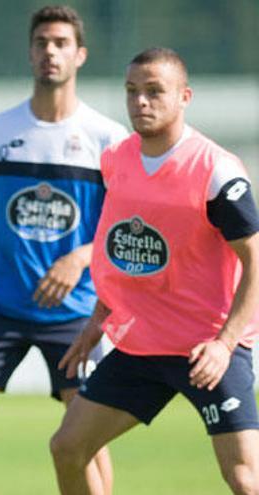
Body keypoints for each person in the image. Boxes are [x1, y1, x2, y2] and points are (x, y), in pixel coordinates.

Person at [0, 6, 129, 494]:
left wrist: (80, 257)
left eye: (61, 43)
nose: (50, 52)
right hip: (0, 309)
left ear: (80, 55)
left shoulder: (108, 139)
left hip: (75, 315)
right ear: (30, 51)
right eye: (42, 42)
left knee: (86, 441)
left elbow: (120, 227)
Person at [51, 47, 259, 494]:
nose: (140, 102)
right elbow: (122, 251)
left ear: (184, 97)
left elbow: (255, 263)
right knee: (67, 446)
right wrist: (98, 319)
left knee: (245, 477)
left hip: (206, 349)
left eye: (154, 92)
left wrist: (224, 345)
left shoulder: (216, 171)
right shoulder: (118, 160)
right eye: (132, 91)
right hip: (141, 348)